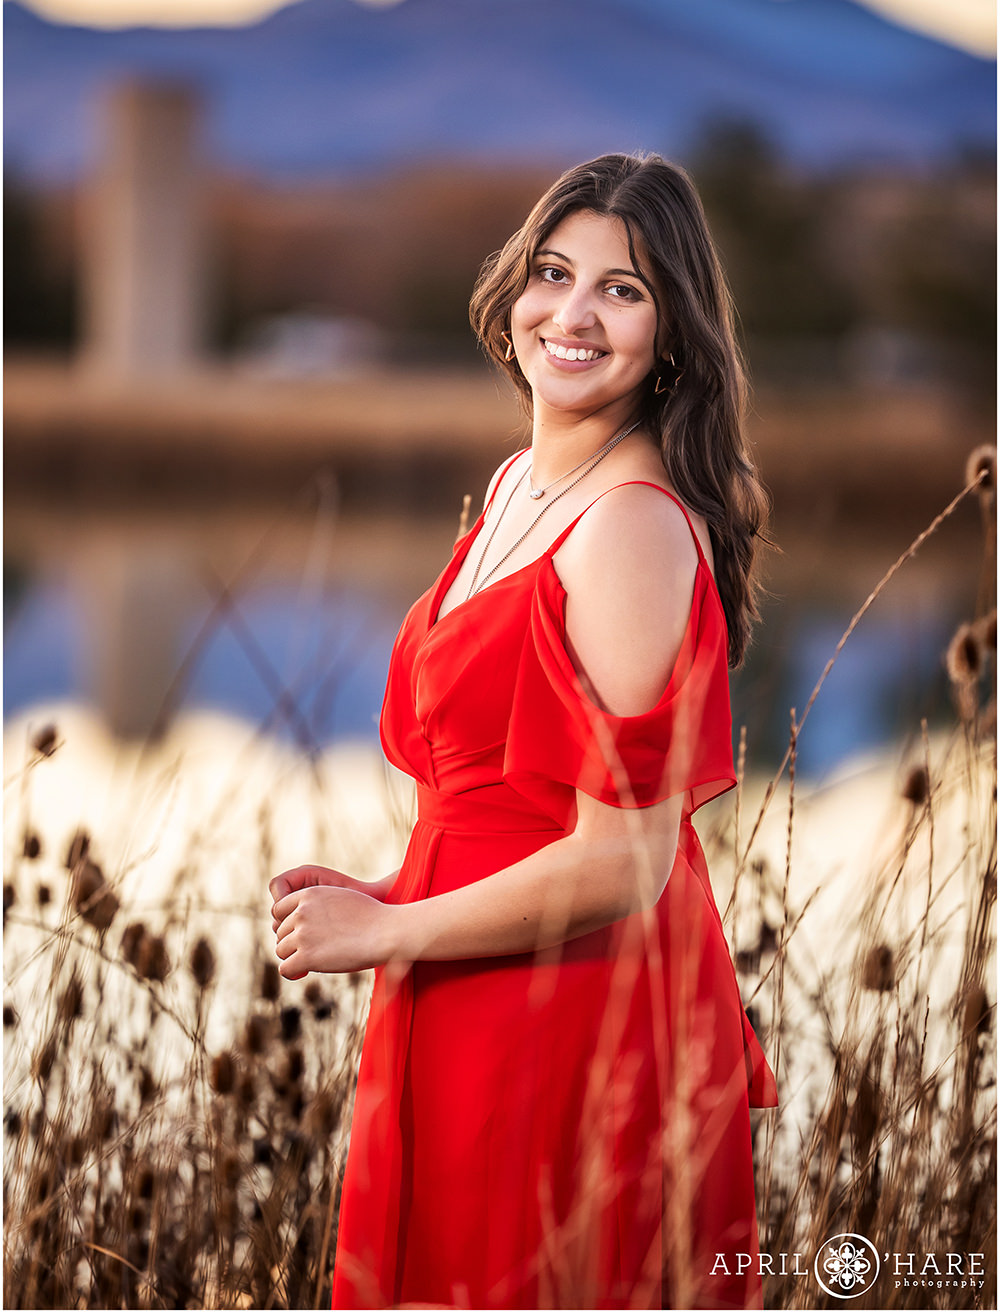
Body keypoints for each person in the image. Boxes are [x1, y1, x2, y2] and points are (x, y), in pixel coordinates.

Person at [270, 153, 778, 1311]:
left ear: (673, 333)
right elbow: (518, 802)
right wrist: (393, 889)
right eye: (554, 273)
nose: (574, 314)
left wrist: (389, 933)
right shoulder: (517, 486)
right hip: (470, 970)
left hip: (568, 1014)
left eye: (622, 290)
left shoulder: (630, 526)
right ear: (513, 291)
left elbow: (624, 858)